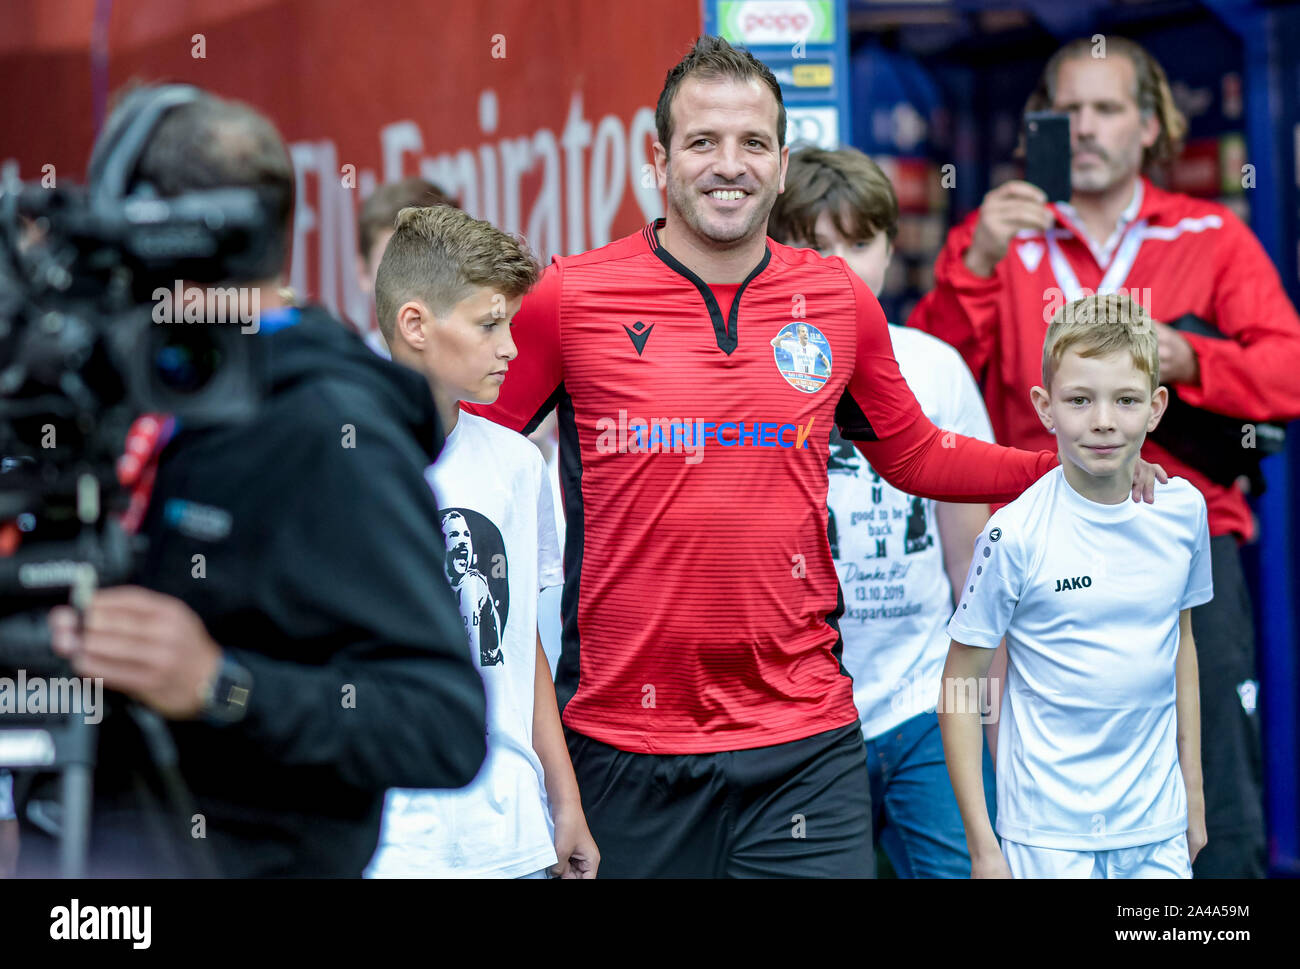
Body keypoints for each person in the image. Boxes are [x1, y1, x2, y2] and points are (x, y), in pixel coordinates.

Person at [464, 35, 1162, 878]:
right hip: (624, 746)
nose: (731, 165)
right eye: (702, 142)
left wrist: (1062, 470)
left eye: (753, 143)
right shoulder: (570, 298)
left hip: (805, 742)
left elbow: (917, 453)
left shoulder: (834, 300)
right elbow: (464, 455)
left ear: (783, 163)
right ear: (658, 160)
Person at [19, 85, 487, 877]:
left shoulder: (330, 428)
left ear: (159, 235)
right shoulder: (137, 385)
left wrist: (220, 684)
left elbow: (441, 722)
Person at [909, 34, 1300, 877]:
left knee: (1213, 777)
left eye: (1106, 108)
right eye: (1065, 111)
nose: (1083, 128)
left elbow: (1288, 372)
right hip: (1036, 542)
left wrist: (1186, 356)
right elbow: (926, 381)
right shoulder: (996, 235)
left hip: (1181, 530)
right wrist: (974, 265)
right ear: (1035, 127)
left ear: (1151, 124)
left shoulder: (1209, 233)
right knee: (1033, 761)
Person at [767, 145, 1001, 878]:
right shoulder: (741, 379)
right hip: (795, 718)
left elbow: (972, 568)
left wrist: (989, 720)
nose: (839, 265)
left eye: (859, 241)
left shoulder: (934, 368)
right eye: (813, 244)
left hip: (924, 704)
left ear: (890, 248)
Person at [940, 292, 1210, 879]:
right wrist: (984, 845)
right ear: (1045, 406)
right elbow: (962, 684)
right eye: (1080, 400)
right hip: (1045, 837)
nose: (1104, 420)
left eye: (1127, 400)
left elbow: (1181, 645)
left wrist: (1193, 792)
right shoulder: (1011, 533)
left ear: (1157, 407)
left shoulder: (1184, 511)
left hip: (1157, 828)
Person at [366, 204, 598, 878]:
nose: (512, 349)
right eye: (489, 324)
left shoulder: (518, 463)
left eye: (512, 325)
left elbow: (519, 636)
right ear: (415, 324)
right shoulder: (341, 459)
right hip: (391, 843)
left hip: (513, 836)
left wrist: (564, 798)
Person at [355, 176, 457, 356]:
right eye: (393, 263)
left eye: (431, 263)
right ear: (364, 273)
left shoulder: (492, 368)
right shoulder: (344, 375)